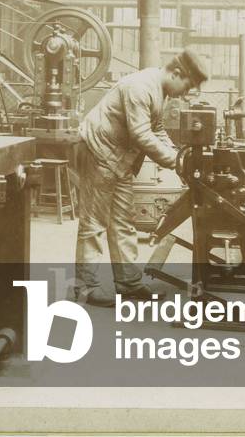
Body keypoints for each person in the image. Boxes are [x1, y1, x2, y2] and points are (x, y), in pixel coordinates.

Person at [73, 48, 210, 307]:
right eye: (187, 86)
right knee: (94, 223)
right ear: (177, 73)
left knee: (123, 221)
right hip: (99, 152)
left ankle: (128, 283)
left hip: (121, 159)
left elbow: (156, 128)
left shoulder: (161, 91)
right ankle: (86, 288)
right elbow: (141, 134)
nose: (185, 93)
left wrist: (178, 155)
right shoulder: (140, 87)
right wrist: (176, 161)